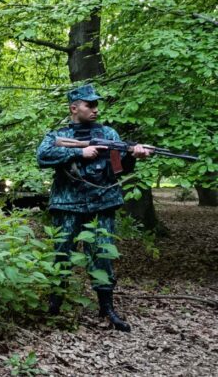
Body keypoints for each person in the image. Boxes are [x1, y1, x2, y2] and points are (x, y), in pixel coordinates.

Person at [36, 84, 150, 332]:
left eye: (96, 104)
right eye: (90, 105)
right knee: (61, 254)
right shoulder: (57, 135)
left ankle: (106, 308)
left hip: (101, 204)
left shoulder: (109, 134)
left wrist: (133, 155)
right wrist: (79, 153)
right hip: (67, 205)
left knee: (102, 255)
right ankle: (55, 304)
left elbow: (118, 170)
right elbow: (42, 157)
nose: (95, 109)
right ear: (74, 108)